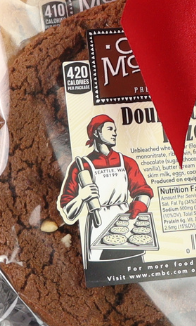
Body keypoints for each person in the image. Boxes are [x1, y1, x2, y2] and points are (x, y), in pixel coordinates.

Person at [58, 114, 154, 283]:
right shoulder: (81, 166)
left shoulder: (127, 162)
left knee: (136, 274)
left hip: (126, 226)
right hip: (98, 226)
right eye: (110, 129)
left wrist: (139, 205)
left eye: (115, 130)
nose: (115, 133)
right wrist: (82, 197)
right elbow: (68, 212)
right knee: (101, 274)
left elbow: (143, 190)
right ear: (96, 133)